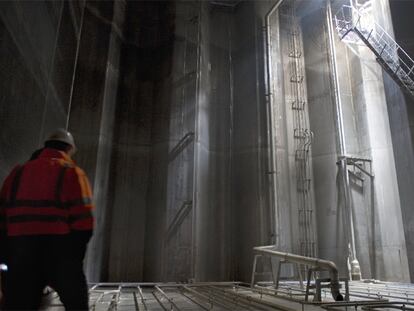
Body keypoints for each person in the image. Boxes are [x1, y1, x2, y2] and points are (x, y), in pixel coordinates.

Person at [0, 129, 94, 310]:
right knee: (77, 302)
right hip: (57, 251)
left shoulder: (17, 173)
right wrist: (73, 257)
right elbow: (84, 222)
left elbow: (2, 215)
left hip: (20, 251)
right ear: (69, 149)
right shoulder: (72, 173)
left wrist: (6, 253)